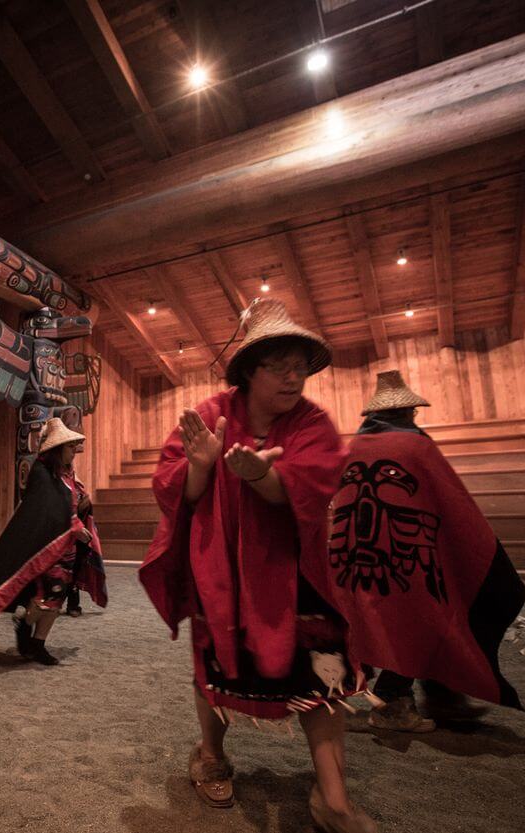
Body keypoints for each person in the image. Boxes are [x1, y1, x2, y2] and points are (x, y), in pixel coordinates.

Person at [140, 299, 378, 833]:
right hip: (221, 566)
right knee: (215, 666)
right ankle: (210, 757)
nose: (294, 378)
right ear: (250, 370)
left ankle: (333, 798)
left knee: (323, 668)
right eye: (280, 367)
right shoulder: (209, 415)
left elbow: (309, 487)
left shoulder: (312, 421)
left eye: (300, 367)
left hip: (297, 570)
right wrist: (201, 469)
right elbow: (172, 487)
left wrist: (258, 476)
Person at [328, 370, 525, 734]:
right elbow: (451, 502)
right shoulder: (416, 445)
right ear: (408, 412)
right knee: (429, 614)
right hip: (409, 552)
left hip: (358, 555)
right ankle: (395, 700)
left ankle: (439, 695)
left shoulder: (352, 448)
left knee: (401, 619)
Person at [0, 418, 107, 665]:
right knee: (47, 594)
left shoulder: (69, 474)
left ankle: (38, 644)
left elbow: (72, 502)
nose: (74, 450)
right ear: (58, 448)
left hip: (68, 548)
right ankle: (25, 624)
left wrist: (84, 505)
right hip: (45, 547)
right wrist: (74, 525)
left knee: (58, 597)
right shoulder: (41, 473)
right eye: (70, 446)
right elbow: (46, 509)